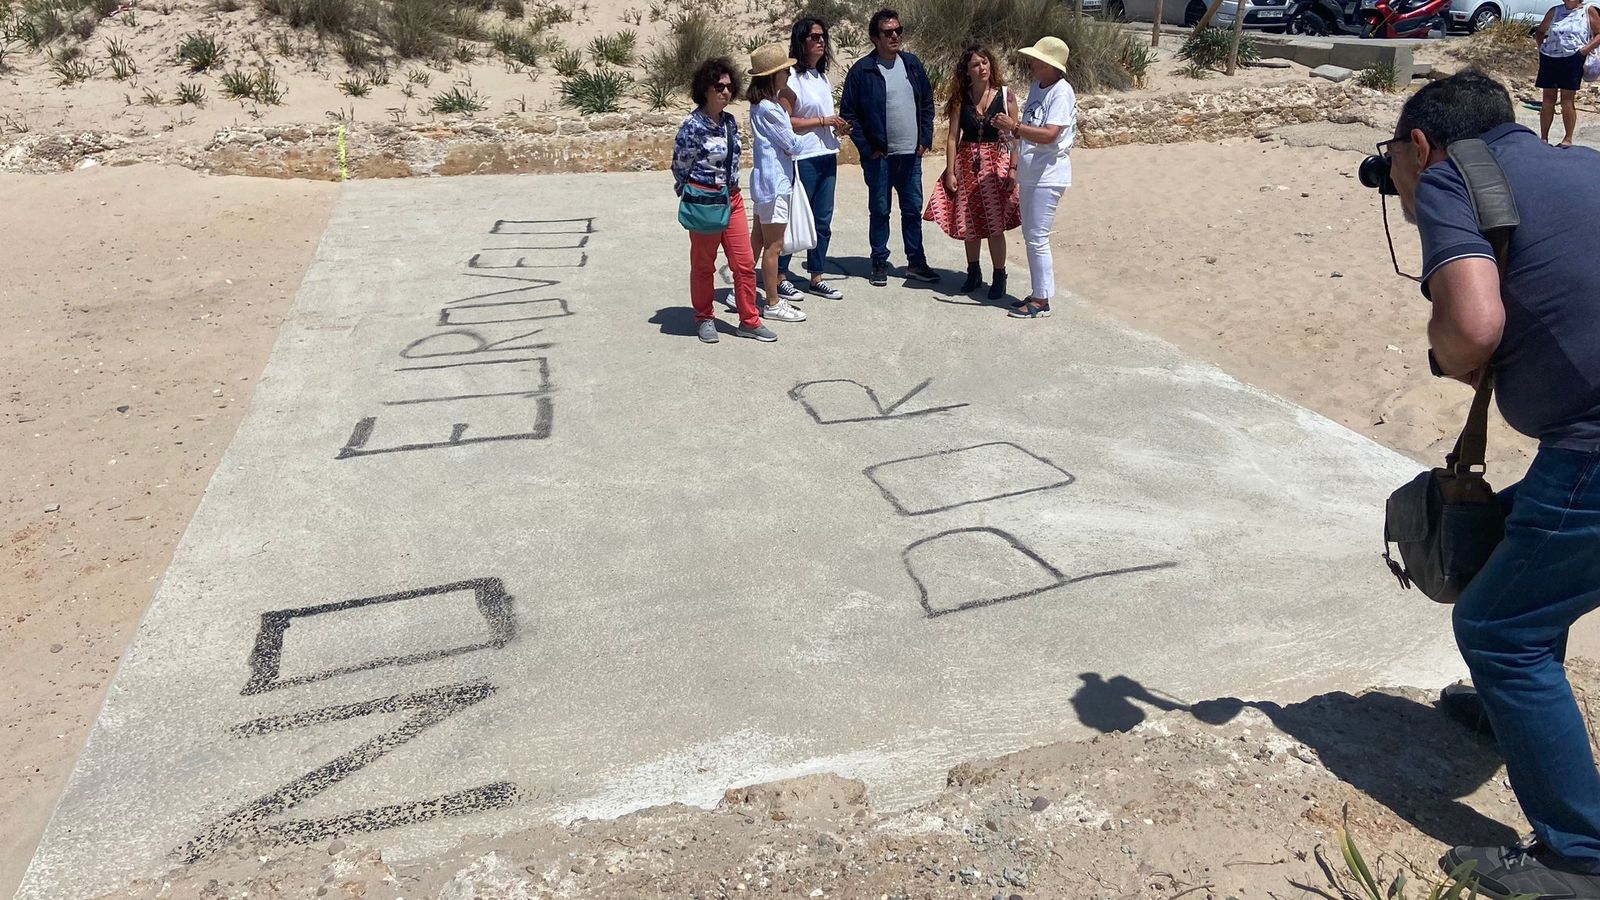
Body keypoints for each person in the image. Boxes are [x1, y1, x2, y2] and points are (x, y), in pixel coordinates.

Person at [1382, 69, 1600, 899]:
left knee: (1499, 626)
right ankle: (1515, 710)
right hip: (1581, 442)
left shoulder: (1448, 178)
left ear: (1424, 143)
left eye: (1395, 157)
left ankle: (1578, 856)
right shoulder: (1579, 163)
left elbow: (1473, 327)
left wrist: (1447, 352)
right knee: (1519, 550)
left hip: (1594, 445)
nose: (1397, 176)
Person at [671, 58, 775, 343]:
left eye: (729, 87)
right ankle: (704, 317)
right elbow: (680, 165)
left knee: (743, 263)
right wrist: (691, 192)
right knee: (704, 265)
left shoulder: (729, 122)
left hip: (733, 198)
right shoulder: (693, 126)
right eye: (719, 87)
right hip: (705, 201)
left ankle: (749, 320)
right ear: (705, 89)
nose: (725, 92)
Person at [839, 8, 940, 287]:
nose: (895, 35)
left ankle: (916, 262)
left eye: (898, 30)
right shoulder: (862, 70)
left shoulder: (912, 64)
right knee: (880, 210)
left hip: (911, 155)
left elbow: (927, 105)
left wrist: (923, 141)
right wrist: (867, 148)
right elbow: (849, 114)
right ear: (875, 37)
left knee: (912, 209)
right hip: (879, 157)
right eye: (888, 32)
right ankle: (879, 260)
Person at [924, 44, 1021, 300]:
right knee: (969, 220)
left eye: (986, 62)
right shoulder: (960, 99)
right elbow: (953, 138)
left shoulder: (1005, 94)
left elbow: (1013, 136)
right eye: (976, 65)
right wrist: (950, 171)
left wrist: (1013, 168)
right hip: (967, 164)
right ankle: (973, 272)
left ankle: (999, 275)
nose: (982, 68)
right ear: (967, 71)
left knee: (994, 223)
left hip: (996, 163)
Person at [993, 36, 1076, 320]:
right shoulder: (1038, 87)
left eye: (1037, 60)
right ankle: (1039, 291)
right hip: (1032, 173)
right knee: (1031, 236)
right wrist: (1011, 131)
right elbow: (1030, 129)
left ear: (1050, 65)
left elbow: (1051, 133)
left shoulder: (1061, 92)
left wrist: (1015, 127)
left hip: (1048, 174)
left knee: (1037, 237)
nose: (1032, 64)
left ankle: (1042, 299)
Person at [775, 17, 849, 303]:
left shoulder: (822, 76)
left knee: (822, 219)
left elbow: (821, 118)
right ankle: (781, 275)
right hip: (802, 155)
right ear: (801, 42)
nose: (820, 41)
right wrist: (822, 120)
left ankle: (816, 275)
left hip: (826, 153)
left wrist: (835, 125)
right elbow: (785, 121)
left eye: (822, 37)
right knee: (795, 218)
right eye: (813, 37)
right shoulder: (792, 78)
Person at [746, 42, 809, 325]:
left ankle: (743, 290)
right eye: (784, 70)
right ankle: (772, 301)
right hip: (775, 184)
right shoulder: (770, 109)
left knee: (758, 241)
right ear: (774, 76)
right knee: (774, 245)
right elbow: (792, 144)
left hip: (766, 182)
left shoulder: (762, 106)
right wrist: (814, 133)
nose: (788, 74)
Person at [1534, 0, 1600, 146]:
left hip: (1572, 59)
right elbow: (1539, 32)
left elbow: (1599, 34)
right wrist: (1542, 49)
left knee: (1567, 101)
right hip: (1550, 59)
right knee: (1548, 100)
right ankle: (1544, 138)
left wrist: (1584, 51)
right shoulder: (1555, 11)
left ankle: (1567, 138)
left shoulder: (1588, 11)